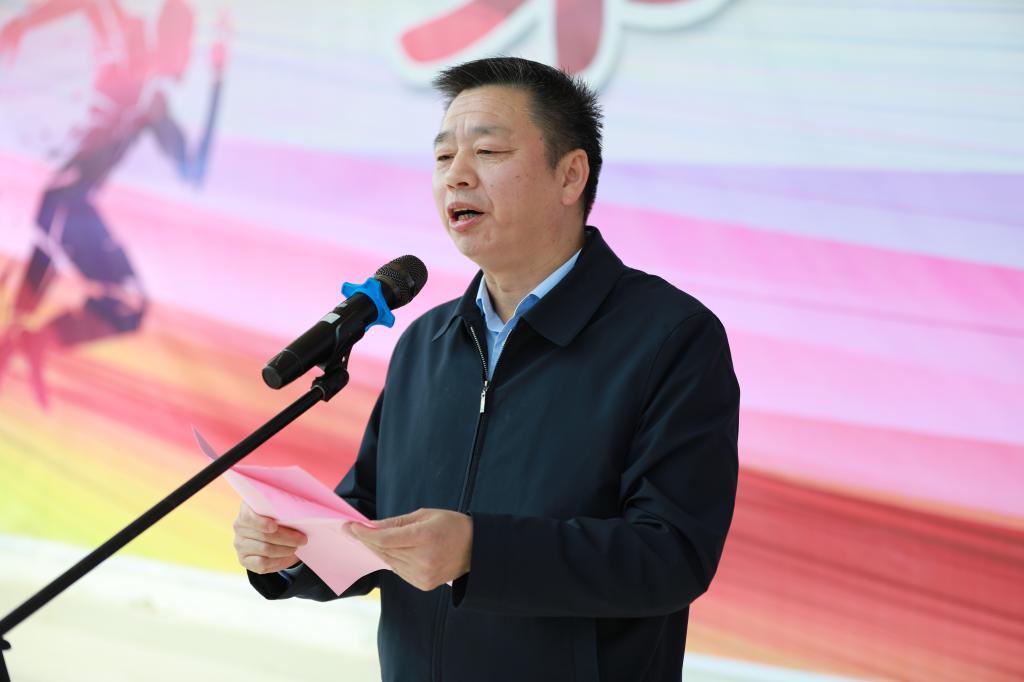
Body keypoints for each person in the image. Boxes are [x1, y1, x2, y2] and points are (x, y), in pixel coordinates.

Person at [234, 56, 739, 682]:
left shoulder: (670, 338)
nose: (457, 176)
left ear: (570, 175)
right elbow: (370, 519)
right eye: (444, 157)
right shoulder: (426, 341)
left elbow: (671, 555)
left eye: (488, 152)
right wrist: (290, 550)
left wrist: (479, 551)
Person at [0, 0, 226, 408]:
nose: (188, 57)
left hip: (68, 208)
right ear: (171, 38)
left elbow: (193, 170)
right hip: (65, 209)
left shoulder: (154, 104)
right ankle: (30, 341)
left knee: (101, 310)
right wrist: (24, 24)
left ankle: (31, 342)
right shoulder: (128, 45)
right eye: (187, 44)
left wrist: (217, 79)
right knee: (119, 305)